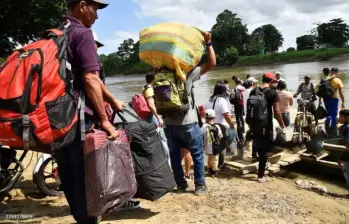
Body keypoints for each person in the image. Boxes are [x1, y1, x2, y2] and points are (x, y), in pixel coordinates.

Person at [55, 1, 137, 223]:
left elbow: (86, 76)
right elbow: (91, 78)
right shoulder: (83, 33)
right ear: (82, 5)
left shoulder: (56, 32)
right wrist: (104, 120)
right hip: (80, 123)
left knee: (71, 182)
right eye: (95, 9)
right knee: (88, 186)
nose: (97, 16)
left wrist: (112, 99)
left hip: (58, 121)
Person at [163, 32, 216, 195]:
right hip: (188, 123)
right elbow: (212, 64)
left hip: (168, 124)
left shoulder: (161, 73)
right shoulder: (187, 73)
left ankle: (180, 185)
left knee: (174, 156)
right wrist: (209, 43)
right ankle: (199, 185)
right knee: (197, 154)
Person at [249, 72, 285, 183]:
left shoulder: (253, 91)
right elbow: (277, 111)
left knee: (258, 143)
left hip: (254, 124)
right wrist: (282, 124)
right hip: (266, 124)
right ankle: (260, 176)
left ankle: (257, 159)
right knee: (265, 150)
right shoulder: (272, 93)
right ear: (271, 81)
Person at [205, 83, 236, 168]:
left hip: (210, 126)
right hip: (221, 127)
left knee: (212, 146)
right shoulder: (222, 100)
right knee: (222, 146)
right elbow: (226, 115)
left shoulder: (208, 99)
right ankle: (221, 164)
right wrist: (232, 125)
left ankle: (210, 164)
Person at [142, 73, 170, 163]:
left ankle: (160, 160)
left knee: (156, 140)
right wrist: (159, 118)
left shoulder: (144, 88)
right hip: (153, 118)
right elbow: (151, 104)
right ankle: (168, 162)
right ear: (154, 80)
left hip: (147, 118)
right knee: (162, 140)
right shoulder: (149, 90)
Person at [201, 109, 227, 176]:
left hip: (207, 147)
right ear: (214, 117)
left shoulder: (204, 127)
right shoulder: (217, 126)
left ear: (205, 117)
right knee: (215, 159)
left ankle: (209, 169)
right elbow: (220, 136)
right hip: (215, 147)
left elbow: (201, 136)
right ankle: (214, 170)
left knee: (209, 158)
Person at [321, 67, 345, 136]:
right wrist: (343, 102)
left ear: (331, 72)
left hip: (325, 99)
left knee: (328, 114)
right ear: (336, 72)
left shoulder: (325, 79)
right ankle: (332, 132)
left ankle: (327, 129)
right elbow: (341, 93)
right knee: (334, 116)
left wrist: (320, 100)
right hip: (333, 100)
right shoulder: (337, 80)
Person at [337, 109, 349, 197]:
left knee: (347, 174)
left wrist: (341, 158)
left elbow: (348, 146)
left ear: (347, 118)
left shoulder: (346, 128)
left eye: (341, 116)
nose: (339, 118)